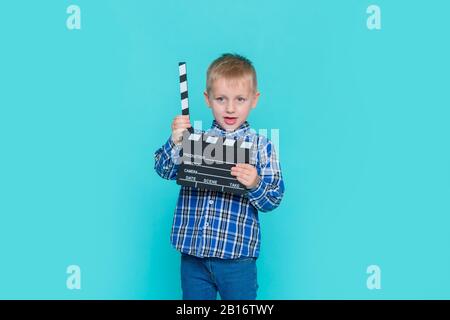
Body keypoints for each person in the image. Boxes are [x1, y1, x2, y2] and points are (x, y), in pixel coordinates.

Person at [154, 53, 285, 300]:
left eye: (240, 99)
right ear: (207, 99)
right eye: (221, 99)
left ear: (254, 100)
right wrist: (174, 142)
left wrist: (255, 183)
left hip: (237, 259)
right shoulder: (193, 140)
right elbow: (164, 170)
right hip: (194, 256)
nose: (230, 108)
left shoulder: (261, 146)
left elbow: (274, 198)